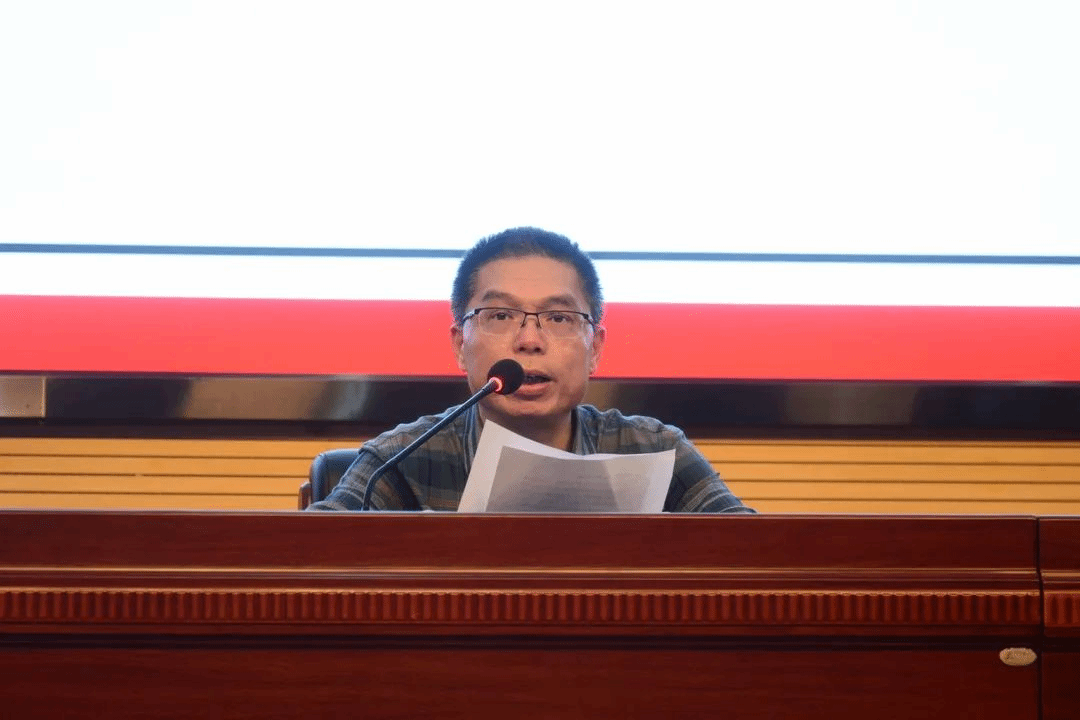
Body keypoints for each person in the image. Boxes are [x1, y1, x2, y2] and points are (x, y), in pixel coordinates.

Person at [309, 227, 753, 513]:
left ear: (595, 348)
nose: (529, 340)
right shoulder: (400, 460)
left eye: (558, 318)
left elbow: (758, 558)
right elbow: (306, 557)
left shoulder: (655, 451)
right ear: (460, 345)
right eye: (501, 315)